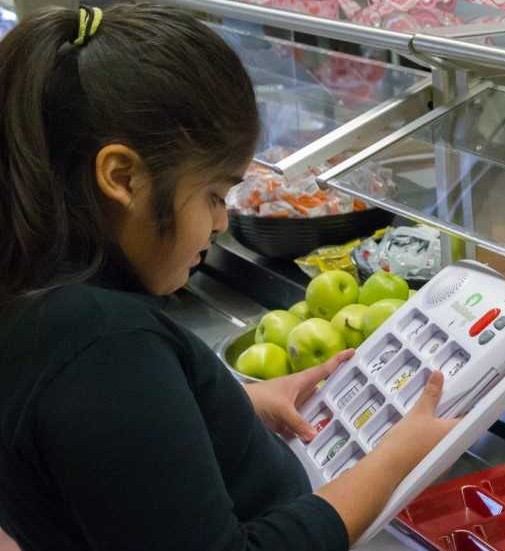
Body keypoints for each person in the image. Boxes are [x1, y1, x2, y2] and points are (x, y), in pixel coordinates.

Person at [0, 5, 456, 549]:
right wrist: (394, 460)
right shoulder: (105, 345)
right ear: (122, 177)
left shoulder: (35, 291)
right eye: (214, 195)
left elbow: (113, 461)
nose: (221, 223)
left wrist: (227, 409)